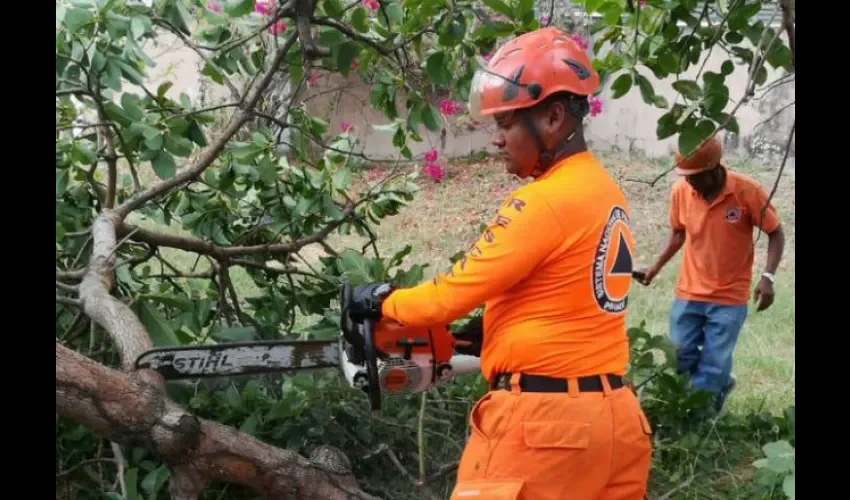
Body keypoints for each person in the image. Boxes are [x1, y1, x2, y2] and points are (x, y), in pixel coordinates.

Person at [346, 27, 653, 500]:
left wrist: (382, 303)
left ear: (552, 117)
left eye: (506, 124)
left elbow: (447, 297)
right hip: (617, 425)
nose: (496, 140)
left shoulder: (543, 201)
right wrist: (492, 331)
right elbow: (568, 296)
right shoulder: (605, 192)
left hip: (546, 433)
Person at [637, 136, 785, 414]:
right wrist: (654, 268)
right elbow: (678, 233)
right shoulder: (681, 190)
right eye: (685, 176)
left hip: (730, 297)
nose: (689, 182)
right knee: (679, 356)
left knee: (714, 364)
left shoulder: (747, 191)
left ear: (714, 168)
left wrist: (769, 277)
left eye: (696, 177)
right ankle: (712, 388)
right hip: (690, 291)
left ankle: (698, 421)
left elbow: (776, 233)